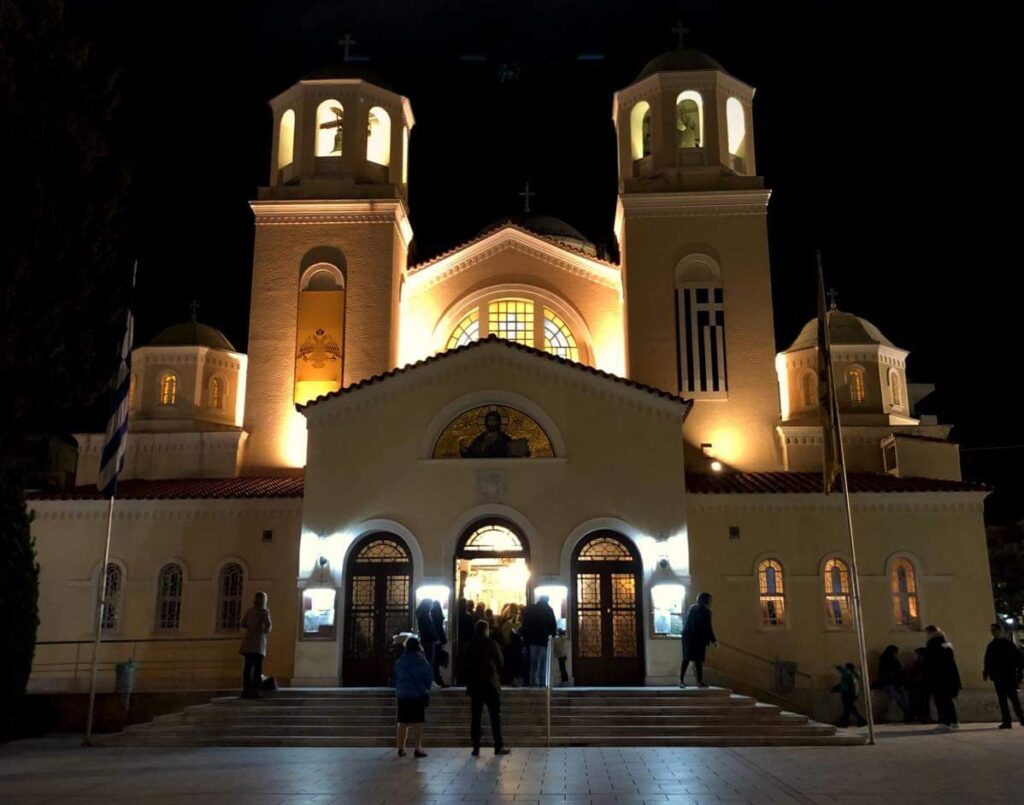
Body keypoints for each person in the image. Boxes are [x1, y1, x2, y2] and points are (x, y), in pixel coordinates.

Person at [464, 619, 510, 756]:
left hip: (475, 684)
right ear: (486, 630)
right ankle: (498, 745)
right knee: (495, 716)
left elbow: (465, 664)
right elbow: (500, 662)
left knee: (476, 717)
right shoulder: (491, 643)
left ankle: (476, 746)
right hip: (490, 684)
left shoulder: (470, 644)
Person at [392, 636, 433, 758]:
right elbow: (428, 677)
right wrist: (426, 689)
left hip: (403, 695)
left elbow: (395, 678)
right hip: (417, 695)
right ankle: (417, 748)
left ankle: (401, 748)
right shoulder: (421, 661)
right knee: (417, 723)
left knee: (402, 722)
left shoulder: (400, 662)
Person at [983, 622, 1024, 729]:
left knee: (1014, 700)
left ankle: (1021, 718)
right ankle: (1007, 721)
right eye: (992, 631)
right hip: (999, 676)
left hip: (1008, 676)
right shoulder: (992, 645)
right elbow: (988, 660)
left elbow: (1018, 660)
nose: (994, 633)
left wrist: (1019, 674)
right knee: (1003, 700)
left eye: (995, 630)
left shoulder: (1008, 645)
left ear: (1000, 631)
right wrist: (986, 672)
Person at [924, 624, 962, 729]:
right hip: (950, 676)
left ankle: (945, 722)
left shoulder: (933, 644)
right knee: (948, 700)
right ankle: (954, 721)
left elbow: (931, 662)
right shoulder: (946, 643)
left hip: (939, 677)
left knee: (940, 700)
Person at [239, 592, 272, 698]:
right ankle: (255, 691)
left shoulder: (250, 611)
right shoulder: (264, 612)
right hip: (258, 644)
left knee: (248, 668)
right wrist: (263, 630)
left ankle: (246, 690)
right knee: (257, 668)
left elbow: (243, 623)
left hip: (248, 643)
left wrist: (250, 628)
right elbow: (269, 626)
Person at [680, 592, 716, 687]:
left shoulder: (692, 608)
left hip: (688, 637)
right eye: (710, 600)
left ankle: (681, 680)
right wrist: (713, 640)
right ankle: (699, 682)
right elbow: (708, 627)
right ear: (706, 600)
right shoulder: (706, 611)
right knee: (698, 661)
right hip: (697, 638)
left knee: (686, 659)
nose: (711, 602)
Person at [521, 595, 558, 687]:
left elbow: (525, 623)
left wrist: (526, 636)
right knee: (543, 662)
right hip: (544, 640)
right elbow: (553, 625)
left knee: (533, 662)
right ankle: (542, 682)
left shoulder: (531, 609)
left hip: (532, 639)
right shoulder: (549, 610)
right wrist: (551, 635)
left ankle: (532, 681)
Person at [876, 645, 914, 722]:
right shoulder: (892, 662)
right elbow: (896, 672)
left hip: (890, 683)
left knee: (901, 699)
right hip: (893, 683)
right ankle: (910, 714)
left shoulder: (884, 661)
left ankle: (909, 714)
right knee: (902, 699)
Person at [832, 662, 867, 727]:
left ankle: (845, 723)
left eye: (846, 668)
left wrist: (835, 689)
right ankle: (859, 720)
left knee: (848, 708)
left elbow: (844, 686)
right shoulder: (853, 675)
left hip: (848, 693)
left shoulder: (847, 675)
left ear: (848, 669)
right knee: (849, 708)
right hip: (853, 693)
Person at [905, 647, 932, 723]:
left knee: (921, 702)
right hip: (921, 686)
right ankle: (924, 717)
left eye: (916, 654)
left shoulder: (919, 663)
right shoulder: (925, 663)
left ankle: (923, 717)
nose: (915, 655)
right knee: (923, 702)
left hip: (919, 686)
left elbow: (916, 675)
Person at [415, 598, 438, 674]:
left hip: (426, 639)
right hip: (429, 640)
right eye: (431, 604)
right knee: (429, 661)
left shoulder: (422, 615)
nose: (432, 606)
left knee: (427, 660)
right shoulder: (425, 616)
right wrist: (435, 636)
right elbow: (428, 629)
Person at [430, 599, 449, 688]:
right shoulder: (438, 618)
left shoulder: (430, 617)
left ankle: (437, 680)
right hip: (437, 643)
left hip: (433, 643)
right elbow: (440, 630)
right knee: (436, 664)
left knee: (434, 663)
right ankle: (438, 680)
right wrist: (443, 640)